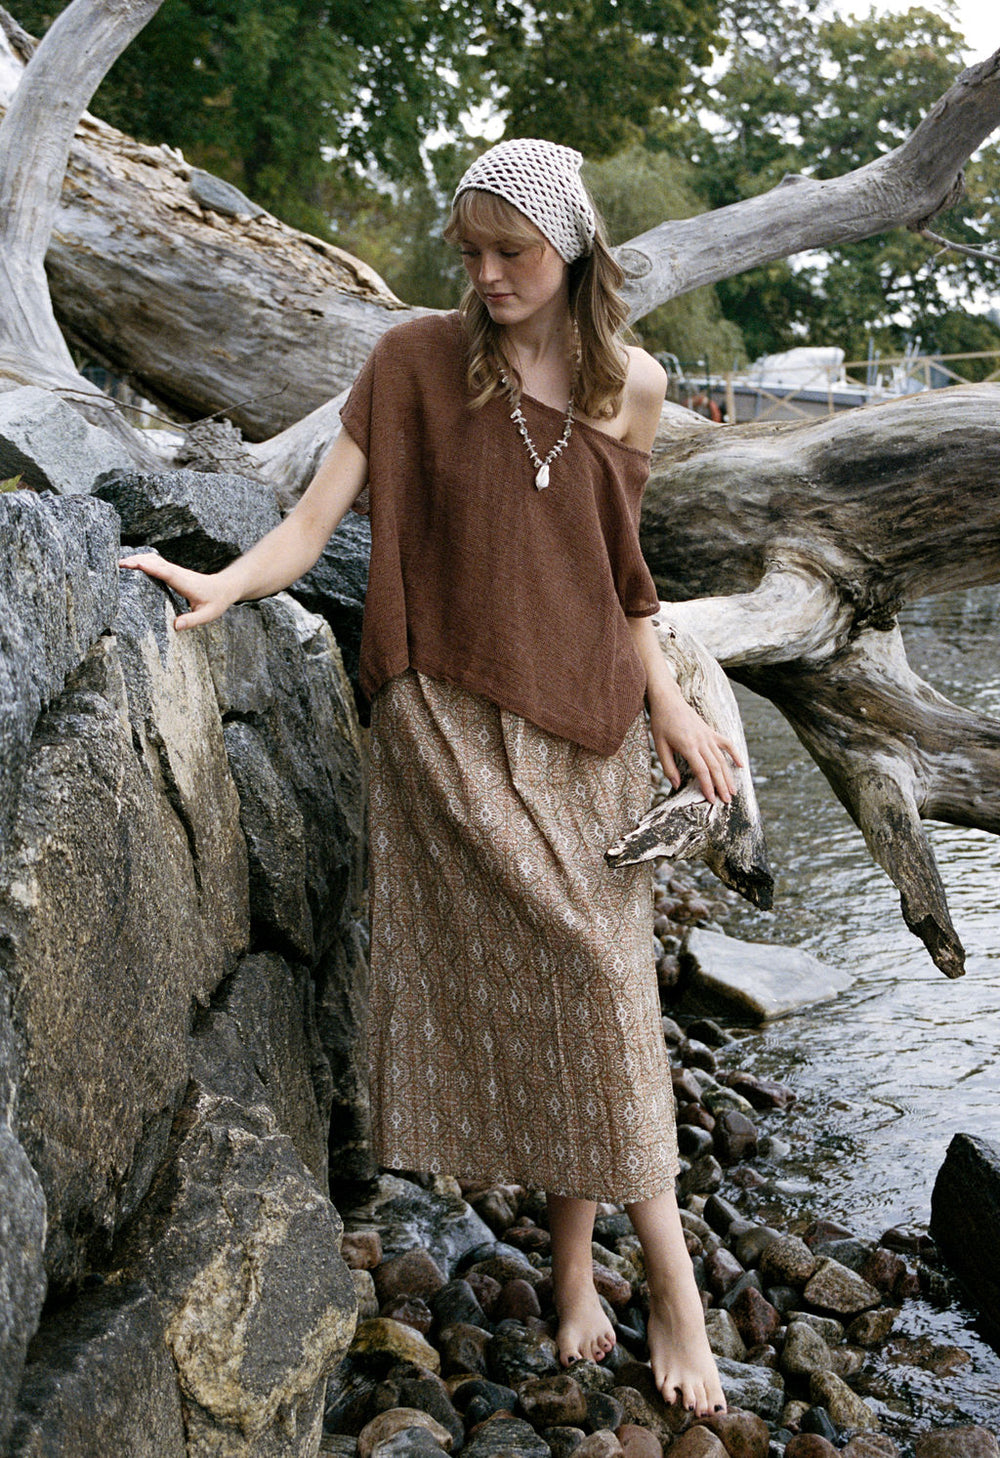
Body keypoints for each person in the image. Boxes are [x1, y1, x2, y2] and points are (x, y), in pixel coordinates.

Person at [121, 137, 739, 1417]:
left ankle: (575, 1272)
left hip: (589, 723)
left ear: (570, 250)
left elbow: (622, 576)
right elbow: (309, 519)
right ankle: (671, 1283)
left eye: (508, 253)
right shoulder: (412, 361)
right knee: (587, 975)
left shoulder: (631, 384)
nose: (485, 275)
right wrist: (221, 581)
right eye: (469, 253)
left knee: (597, 976)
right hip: (446, 722)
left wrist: (669, 701)